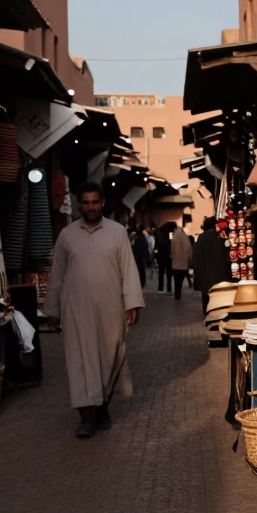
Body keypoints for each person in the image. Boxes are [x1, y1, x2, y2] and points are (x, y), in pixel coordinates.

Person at [45, 181, 145, 439]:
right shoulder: (67, 235)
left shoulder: (117, 232)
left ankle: (102, 407)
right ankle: (86, 419)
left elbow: (128, 269)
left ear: (102, 203)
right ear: (79, 205)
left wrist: (132, 302)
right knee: (78, 362)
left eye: (94, 202)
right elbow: (57, 274)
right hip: (75, 309)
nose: (90, 207)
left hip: (111, 308)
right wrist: (52, 309)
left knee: (109, 359)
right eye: (85, 202)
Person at [190, 217, 231, 315]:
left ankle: (206, 314)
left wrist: (195, 269)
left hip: (204, 272)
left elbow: (195, 256)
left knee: (205, 294)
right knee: (217, 294)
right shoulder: (218, 238)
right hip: (217, 273)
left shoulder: (201, 238)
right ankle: (217, 313)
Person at [169, 222, 193, 300]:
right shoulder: (185, 237)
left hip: (175, 265)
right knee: (181, 280)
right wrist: (190, 260)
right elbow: (189, 250)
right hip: (183, 264)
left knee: (176, 282)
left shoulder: (174, 238)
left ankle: (177, 295)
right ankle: (179, 294)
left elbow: (172, 251)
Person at [154, 223, 172, 292]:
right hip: (167, 256)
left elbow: (156, 247)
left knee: (161, 273)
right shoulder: (168, 236)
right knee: (168, 273)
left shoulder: (159, 235)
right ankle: (169, 288)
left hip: (160, 256)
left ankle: (160, 288)